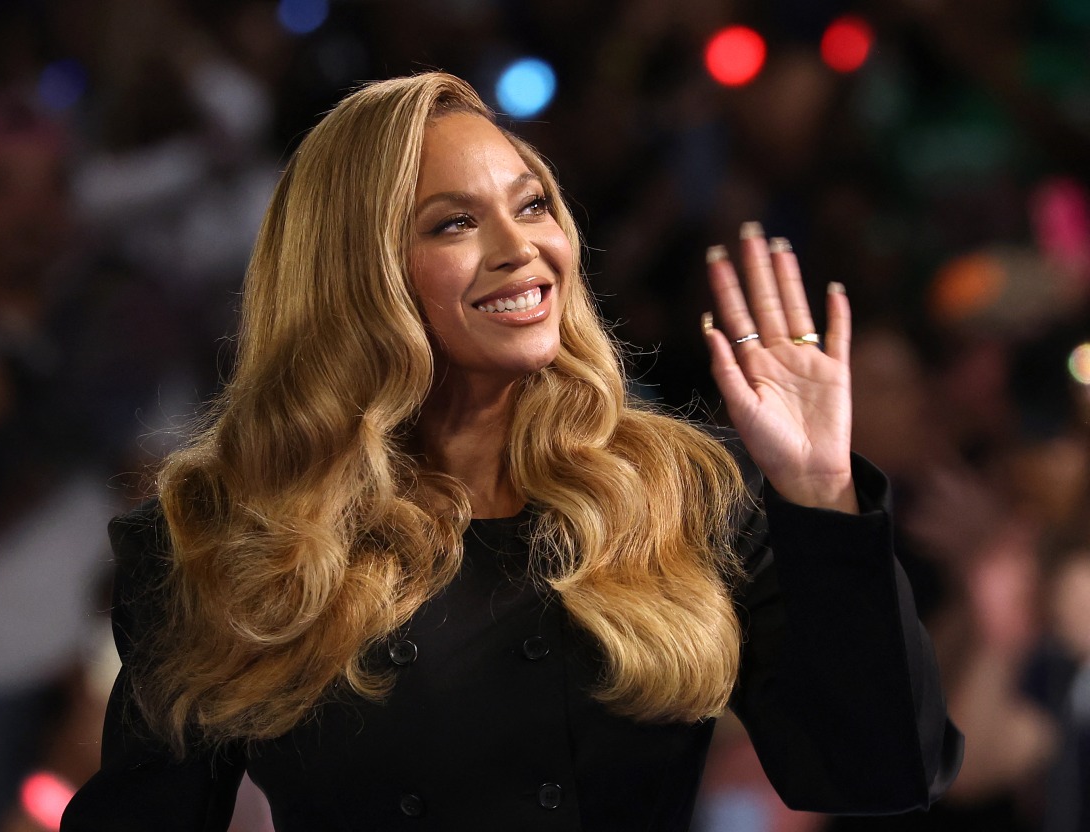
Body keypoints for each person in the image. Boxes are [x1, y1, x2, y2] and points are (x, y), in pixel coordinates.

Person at [60, 72, 962, 831]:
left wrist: (820, 491)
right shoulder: (222, 536)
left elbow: (877, 773)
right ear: (358, 270)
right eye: (453, 224)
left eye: (532, 204)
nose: (520, 248)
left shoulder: (677, 493)